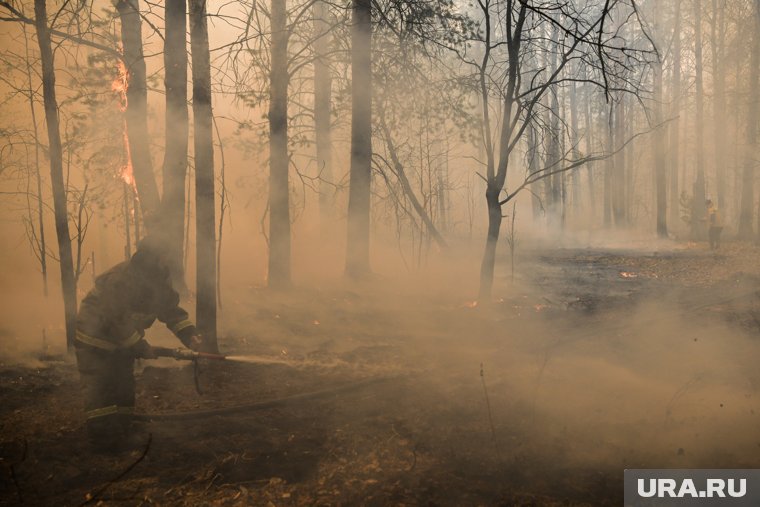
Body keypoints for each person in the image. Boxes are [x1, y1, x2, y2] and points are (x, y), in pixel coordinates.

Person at [75, 235, 201, 452]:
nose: (169, 260)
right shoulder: (121, 279)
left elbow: (171, 311)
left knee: (123, 386)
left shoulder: (159, 280)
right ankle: (103, 440)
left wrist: (190, 335)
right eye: (165, 255)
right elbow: (116, 319)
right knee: (102, 389)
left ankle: (123, 431)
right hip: (95, 342)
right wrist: (140, 346)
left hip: (124, 342)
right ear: (153, 256)